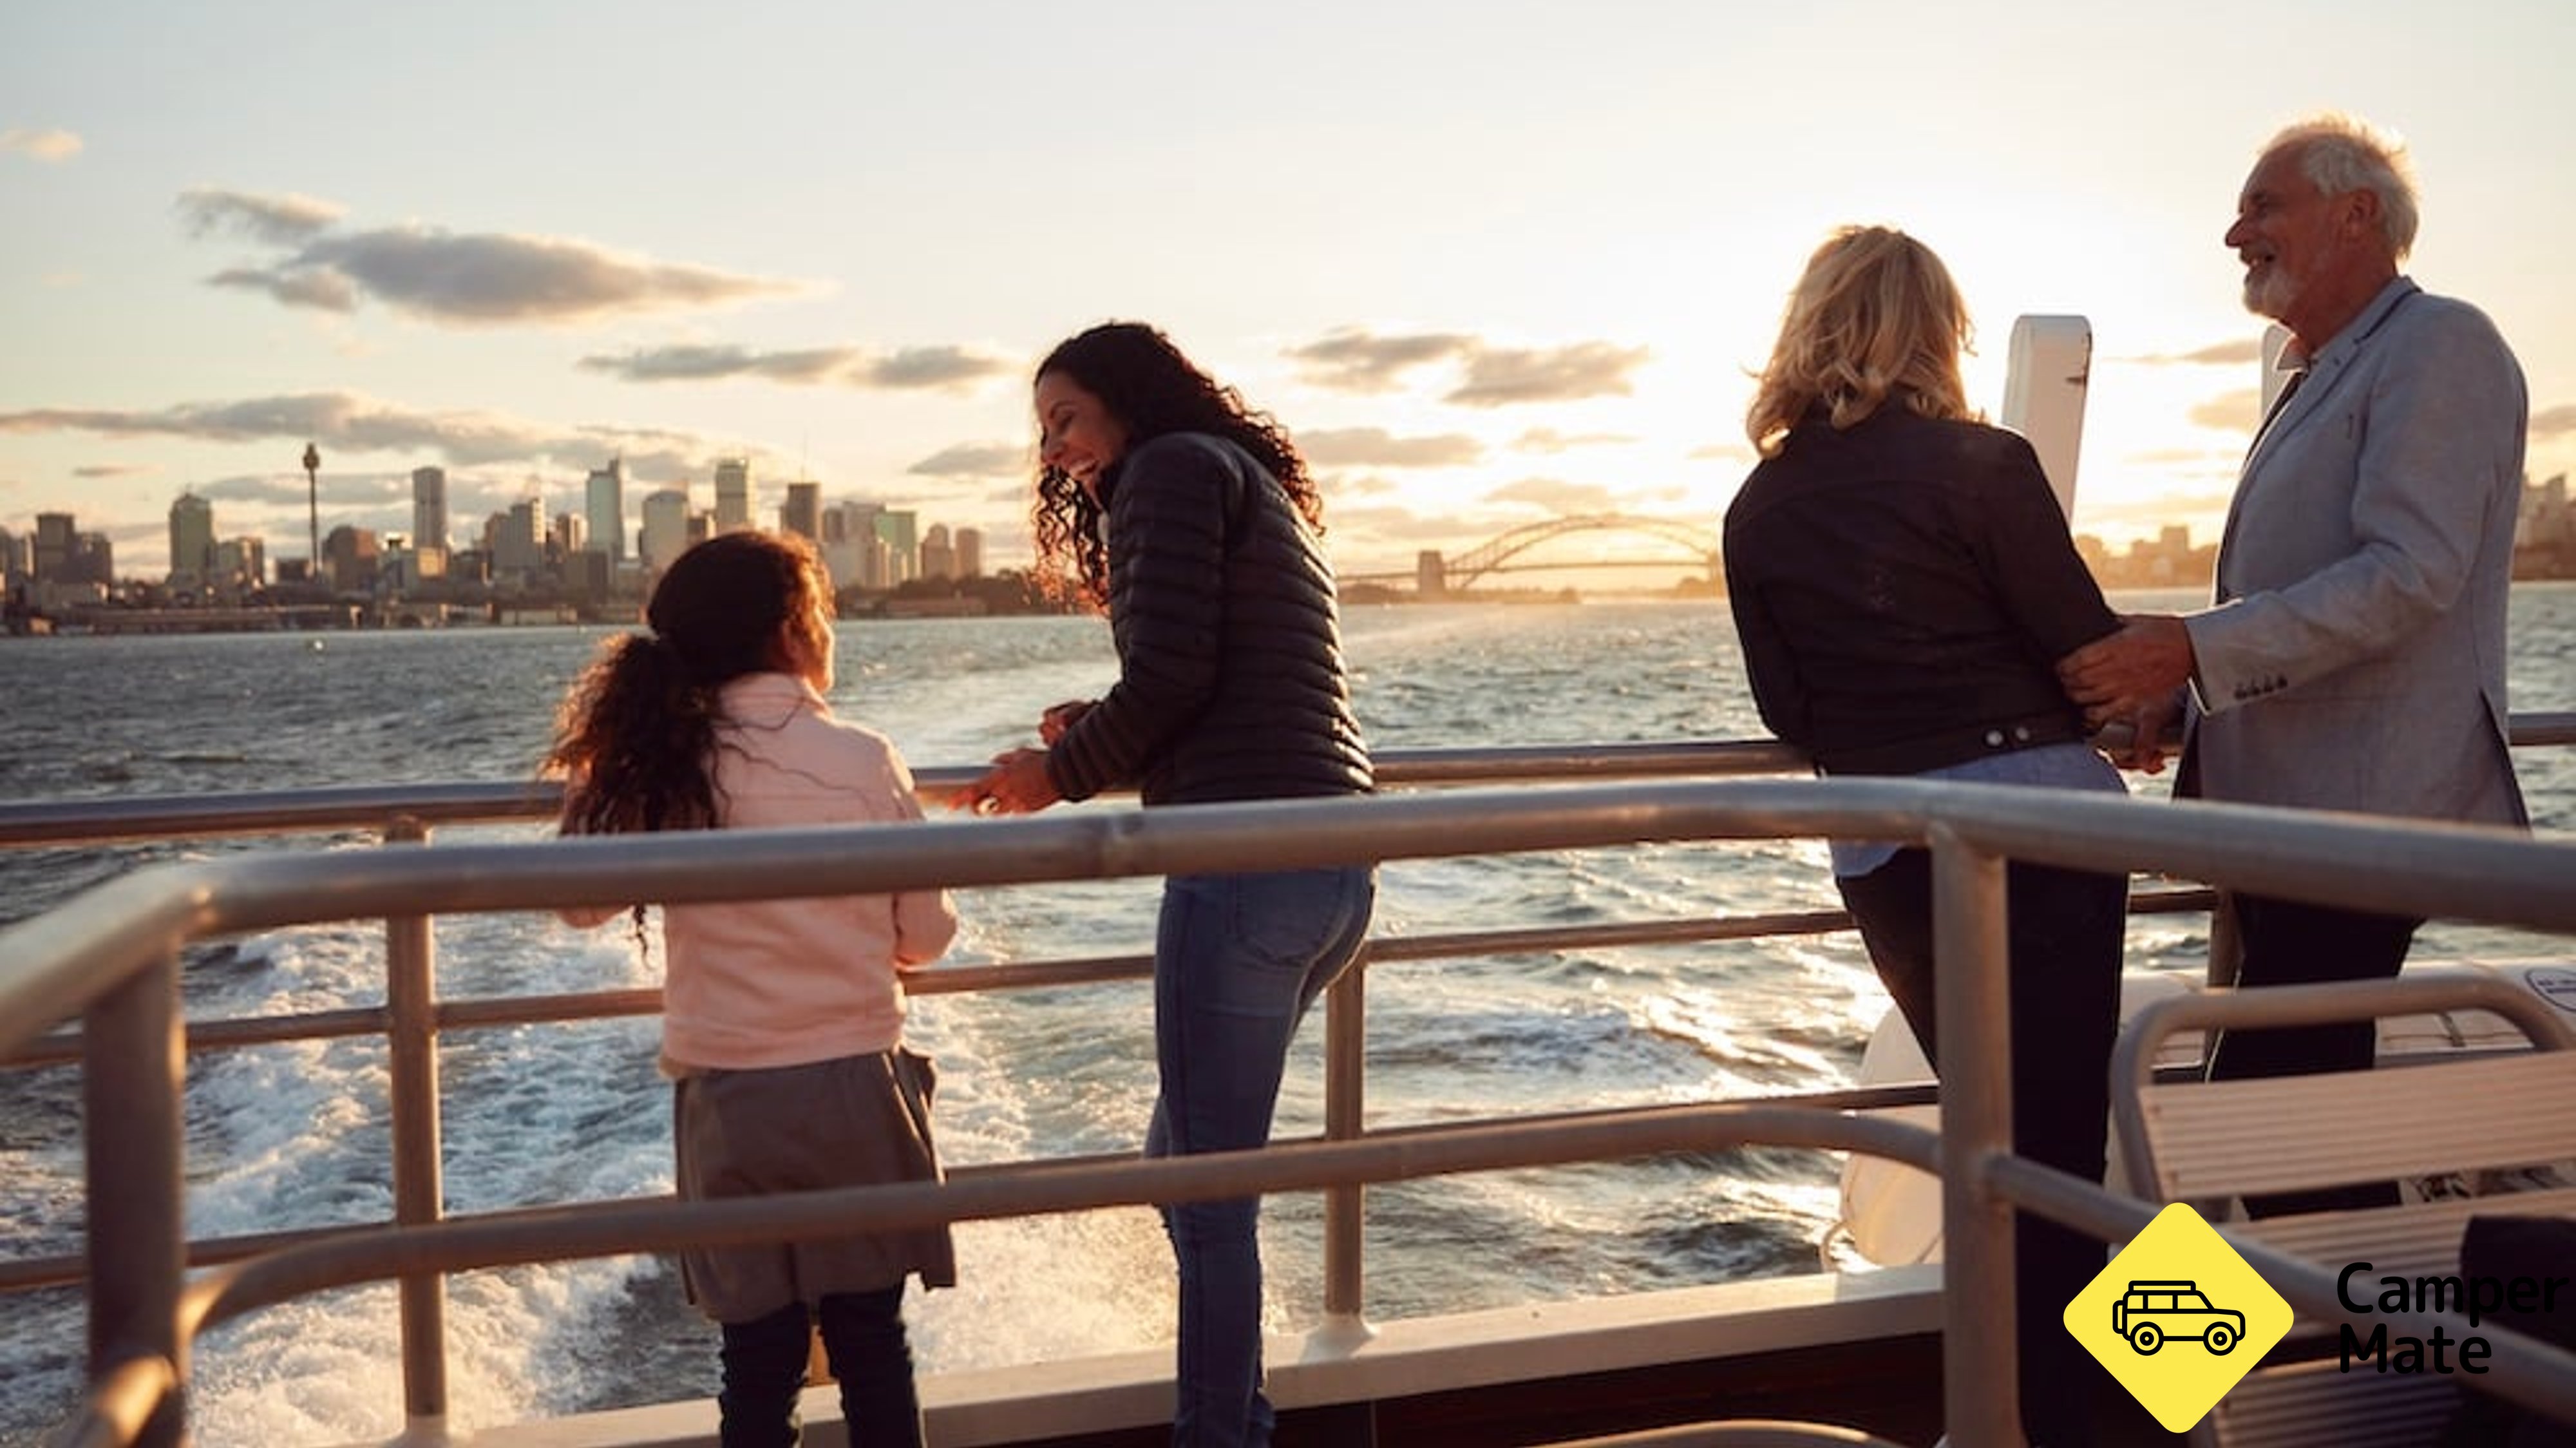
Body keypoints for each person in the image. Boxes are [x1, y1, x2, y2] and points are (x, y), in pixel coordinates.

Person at [2056, 113, 2528, 1211]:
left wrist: (2192, 645)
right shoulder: (2318, 373)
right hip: (2286, 821)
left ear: (2356, 213)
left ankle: (2157, 1380)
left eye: (2263, 205)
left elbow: (2410, 576)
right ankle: (2355, 1361)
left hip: (2360, 819)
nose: (2235, 232)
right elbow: (2304, 602)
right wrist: (2187, 697)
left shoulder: (2439, 344)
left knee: (2257, 1116)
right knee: (2300, 1122)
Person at [1722, 226, 2129, 1446]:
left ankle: (2033, 1411)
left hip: (1892, 850)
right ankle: (2159, 1399)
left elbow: (1788, 710)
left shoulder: (1760, 506)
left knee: (1997, 1143)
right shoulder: (1984, 466)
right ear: (1934, 332)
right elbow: (2082, 643)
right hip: (2040, 822)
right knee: (2064, 1153)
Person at [960, 320, 1375, 1448]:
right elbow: (1217, 688)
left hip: (1243, 871)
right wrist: (1098, 730)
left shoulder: (1165, 473)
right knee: (1183, 1168)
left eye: (1066, 420)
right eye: (1043, 432)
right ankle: (1239, 1411)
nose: (1055, 452)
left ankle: (1221, 1435)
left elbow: (1179, 677)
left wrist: (1058, 773)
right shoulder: (1235, 478)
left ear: (1128, 404)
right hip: (1331, 866)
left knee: (1206, 1191)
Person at [546, 530, 960, 1448]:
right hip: (856, 1086)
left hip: (731, 1097)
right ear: (790, 633)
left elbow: (576, 900)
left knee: (757, 1359)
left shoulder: (670, 765)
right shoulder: (863, 758)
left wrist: (607, 768)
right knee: (872, 1342)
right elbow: (924, 937)